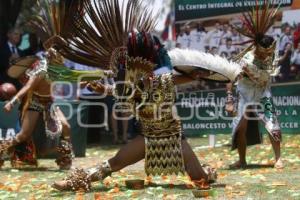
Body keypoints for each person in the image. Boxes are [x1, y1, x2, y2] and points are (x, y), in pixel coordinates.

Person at [51, 0, 217, 192]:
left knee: (201, 179)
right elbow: (122, 93)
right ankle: (73, 182)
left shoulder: (163, 78)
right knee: (114, 163)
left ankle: (207, 172)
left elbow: (183, 78)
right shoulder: (131, 83)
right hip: (146, 136)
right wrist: (102, 90)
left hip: (173, 138)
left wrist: (197, 73)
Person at [225, 2, 283, 169]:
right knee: (240, 128)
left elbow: (269, 72)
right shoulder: (246, 60)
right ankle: (242, 160)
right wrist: (229, 100)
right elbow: (230, 78)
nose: (269, 56)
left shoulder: (272, 55)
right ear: (258, 48)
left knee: (272, 124)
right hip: (244, 94)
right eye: (266, 53)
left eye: (271, 52)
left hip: (263, 93)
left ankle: (278, 158)